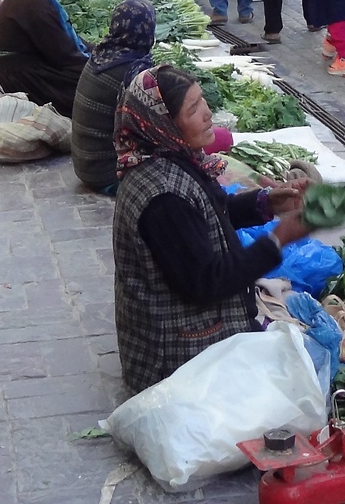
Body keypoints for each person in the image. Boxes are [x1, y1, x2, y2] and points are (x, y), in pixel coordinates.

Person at [112, 65, 309, 393]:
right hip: (175, 359)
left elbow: (210, 214)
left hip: (184, 334)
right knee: (302, 370)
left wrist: (268, 203)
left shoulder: (169, 160)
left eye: (202, 100)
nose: (207, 114)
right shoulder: (163, 197)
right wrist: (279, 239)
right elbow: (208, 282)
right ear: (164, 124)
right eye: (193, 109)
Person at [72, 0, 158, 194]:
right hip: (106, 174)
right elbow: (154, 128)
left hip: (87, 165)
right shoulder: (132, 71)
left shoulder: (103, 54)